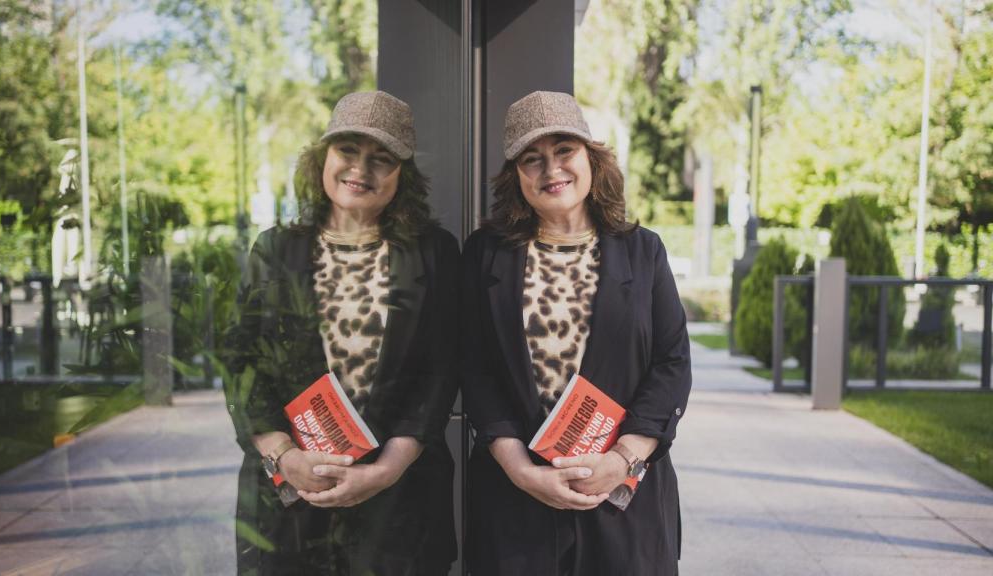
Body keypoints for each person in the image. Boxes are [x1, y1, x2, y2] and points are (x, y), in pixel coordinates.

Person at [224, 91, 459, 576]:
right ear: (322, 158)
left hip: (401, 502)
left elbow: (442, 370)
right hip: (289, 501)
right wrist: (284, 457)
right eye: (347, 151)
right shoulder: (274, 250)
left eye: (382, 158)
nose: (361, 169)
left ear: (403, 175)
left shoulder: (434, 252)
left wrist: (387, 469)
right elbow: (241, 364)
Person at [462, 91, 692, 576]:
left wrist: (624, 460)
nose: (551, 170)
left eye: (564, 150)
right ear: (515, 175)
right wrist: (520, 470)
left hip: (622, 502)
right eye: (532, 158)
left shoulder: (643, 251)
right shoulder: (486, 254)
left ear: (591, 158)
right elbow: (474, 367)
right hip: (514, 503)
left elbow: (671, 365)